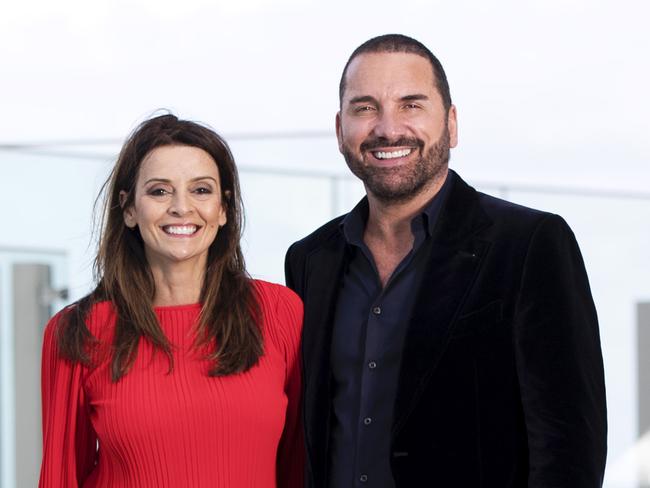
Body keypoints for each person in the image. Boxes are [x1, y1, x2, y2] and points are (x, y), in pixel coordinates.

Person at [285, 34, 607, 487]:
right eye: (365, 108)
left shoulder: (530, 244)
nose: (388, 128)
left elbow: (569, 449)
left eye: (411, 105)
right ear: (341, 130)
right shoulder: (309, 260)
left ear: (451, 124)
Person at [40, 114, 304, 488]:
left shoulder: (279, 312)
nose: (181, 207)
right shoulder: (77, 330)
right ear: (129, 209)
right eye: (160, 191)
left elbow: (297, 464)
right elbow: (60, 477)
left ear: (224, 208)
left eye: (201, 190)